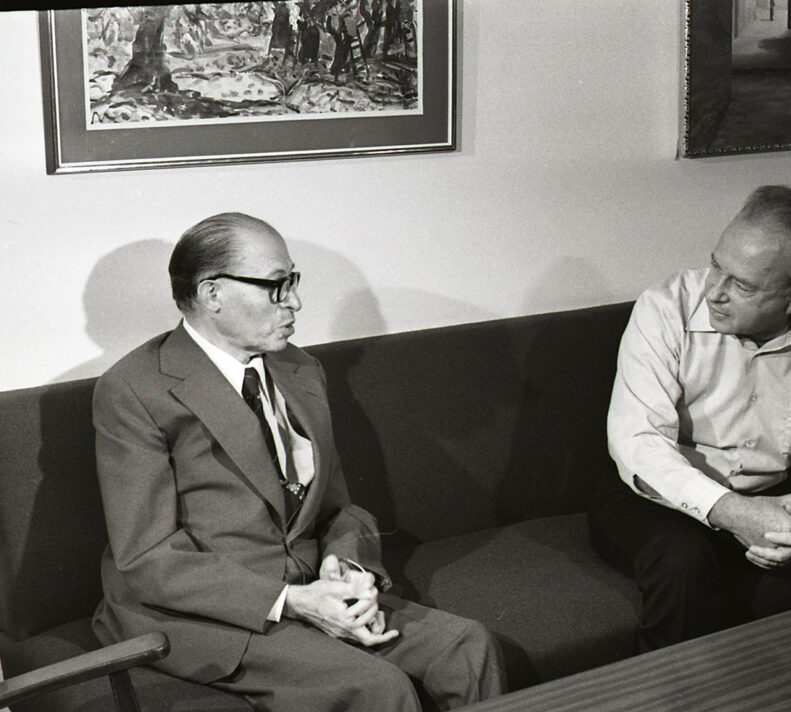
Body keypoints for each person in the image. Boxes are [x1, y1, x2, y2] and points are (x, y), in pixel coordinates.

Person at [92, 213, 506, 711]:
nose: (295, 301)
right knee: (378, 687)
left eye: (293, 280)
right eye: (275, 285)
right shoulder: (135, 389)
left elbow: (338, 508)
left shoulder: (300, 368)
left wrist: (348, 566)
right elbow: (147, 557)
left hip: (312, 589)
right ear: (212, 294)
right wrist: (292, 602)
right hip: (210, 614)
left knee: (466, 646)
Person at [589, 185, 791, 651]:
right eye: (717, 265)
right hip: (655, 497)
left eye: (742, 284)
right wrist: (733, 513)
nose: (715, 291)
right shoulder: (663, 308)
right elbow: (639, 444)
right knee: (682, 562)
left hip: (772, 498)